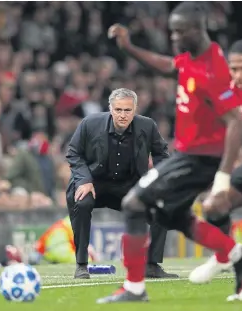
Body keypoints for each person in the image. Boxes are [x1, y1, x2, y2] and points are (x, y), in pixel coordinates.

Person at [97, 2, 242, 303]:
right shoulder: (193, 58)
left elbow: (234, 121)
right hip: (188, 154)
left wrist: (222, 176)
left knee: (133, 204)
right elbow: (169, 66)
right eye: (172, 32)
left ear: (198, 30)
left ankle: (134, 288)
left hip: (198, 158)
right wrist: (129, 47)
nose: (174, 38)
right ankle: (236, 254)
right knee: (174, 216)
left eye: (180, 32)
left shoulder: (213, 70)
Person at [66, 88, 177, 279]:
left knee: (162, 206)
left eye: (127, 110)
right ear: (110, 108)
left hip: (129, 185)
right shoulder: (89, 123)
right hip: (94, 182)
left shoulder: (147, 126)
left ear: (135, 109)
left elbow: (161, 154)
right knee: (81, 202)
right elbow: (74, 152)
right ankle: (81, 264)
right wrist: (84, 180)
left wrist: (159, 182)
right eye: (118, 110)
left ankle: (151, 265)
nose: (122, 115)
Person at [189, 39, 242, 284]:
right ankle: (226, 254)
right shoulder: (229, 91)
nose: (238, 75)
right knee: (213, 205)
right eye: (234, 68)